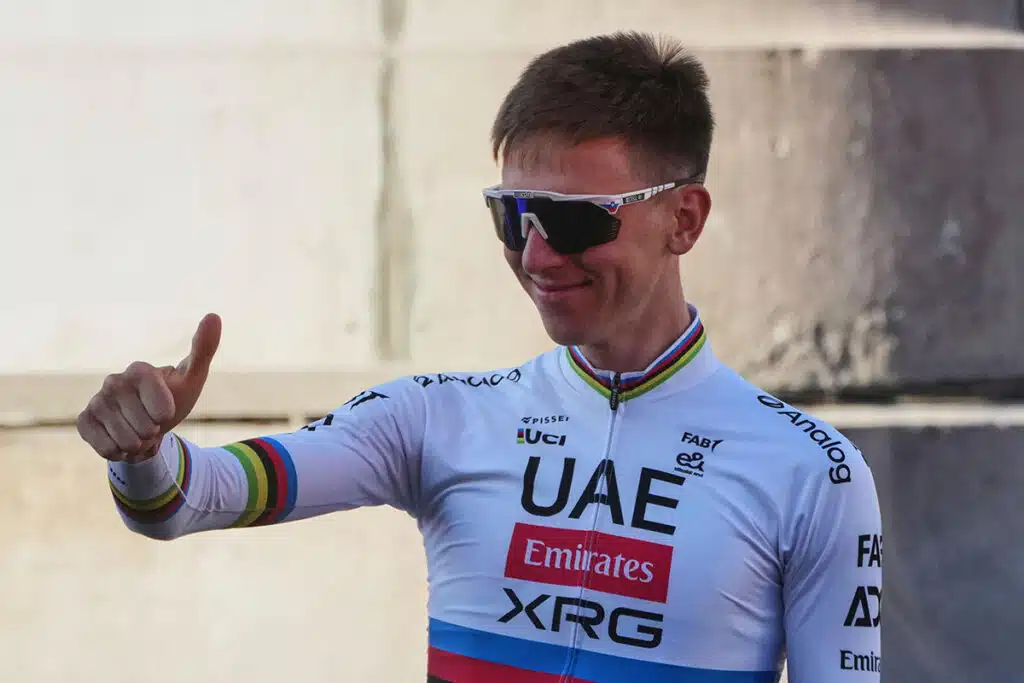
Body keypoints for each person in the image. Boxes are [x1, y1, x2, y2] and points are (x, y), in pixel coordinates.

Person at [77, 31, 882, 683]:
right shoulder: (437, 418)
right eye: (512, 214)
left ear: (685, 219)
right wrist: (142, 453)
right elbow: (188, 499)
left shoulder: (814, 473)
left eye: (574, 221)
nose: (535, 255)